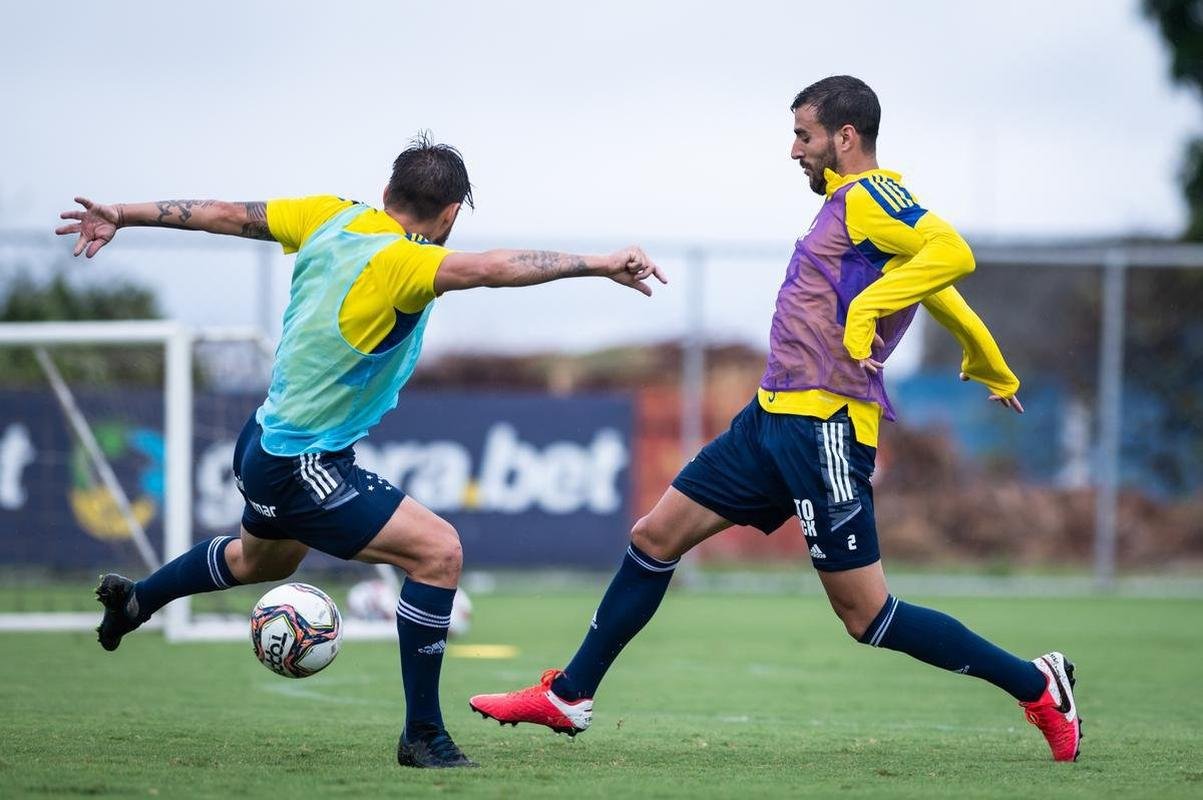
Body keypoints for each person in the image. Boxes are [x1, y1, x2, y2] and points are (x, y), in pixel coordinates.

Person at [469, 76, 1082, 763]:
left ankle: (1036, 685)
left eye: (803, 135)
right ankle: (569, 695)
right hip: (770, 418)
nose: (794, 150)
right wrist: (985, 357)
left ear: (843, 138)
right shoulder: (852, 208)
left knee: (867, 616)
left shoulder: (875, 195)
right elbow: (934, 281)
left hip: (824, 428)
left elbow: (951, 254)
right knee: (654, 536)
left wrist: (865, 311)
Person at [55, 135, 666, 770]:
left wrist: (122, 212)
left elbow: (225, 214)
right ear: (452, 213)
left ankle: (137, 602)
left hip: (262, 441)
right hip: (304, 463)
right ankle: (423, 735)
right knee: (439, 553)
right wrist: (600, 263)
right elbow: (492, 268)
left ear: (385, 194)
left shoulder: (330, 214)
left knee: (261, 561)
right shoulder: (405, 265)